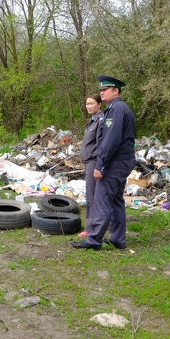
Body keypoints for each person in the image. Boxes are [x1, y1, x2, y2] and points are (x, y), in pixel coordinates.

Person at [72, 74, 136, 250]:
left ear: (115, 91)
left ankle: (94, 240)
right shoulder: (118, 109)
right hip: (123, 161)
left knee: (102, 200)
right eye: (100, 90)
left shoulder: (116, 110)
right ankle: (117, 239)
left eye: (104, 90)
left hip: (115, 163)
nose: (101, 93)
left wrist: (100, 165)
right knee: (116, 200)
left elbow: (111, 141)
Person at [77, 93, 103, 237]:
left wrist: (99, 165)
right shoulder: (92, 120)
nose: (89, 106)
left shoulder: (101, 120)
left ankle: (90, 229)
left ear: (99, 104)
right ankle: (99, 225)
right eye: (87, 104)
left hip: (94, 162)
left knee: (91, 195)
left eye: (92, 103)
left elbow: (101, 145)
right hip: (88, 162)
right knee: (93, 194)